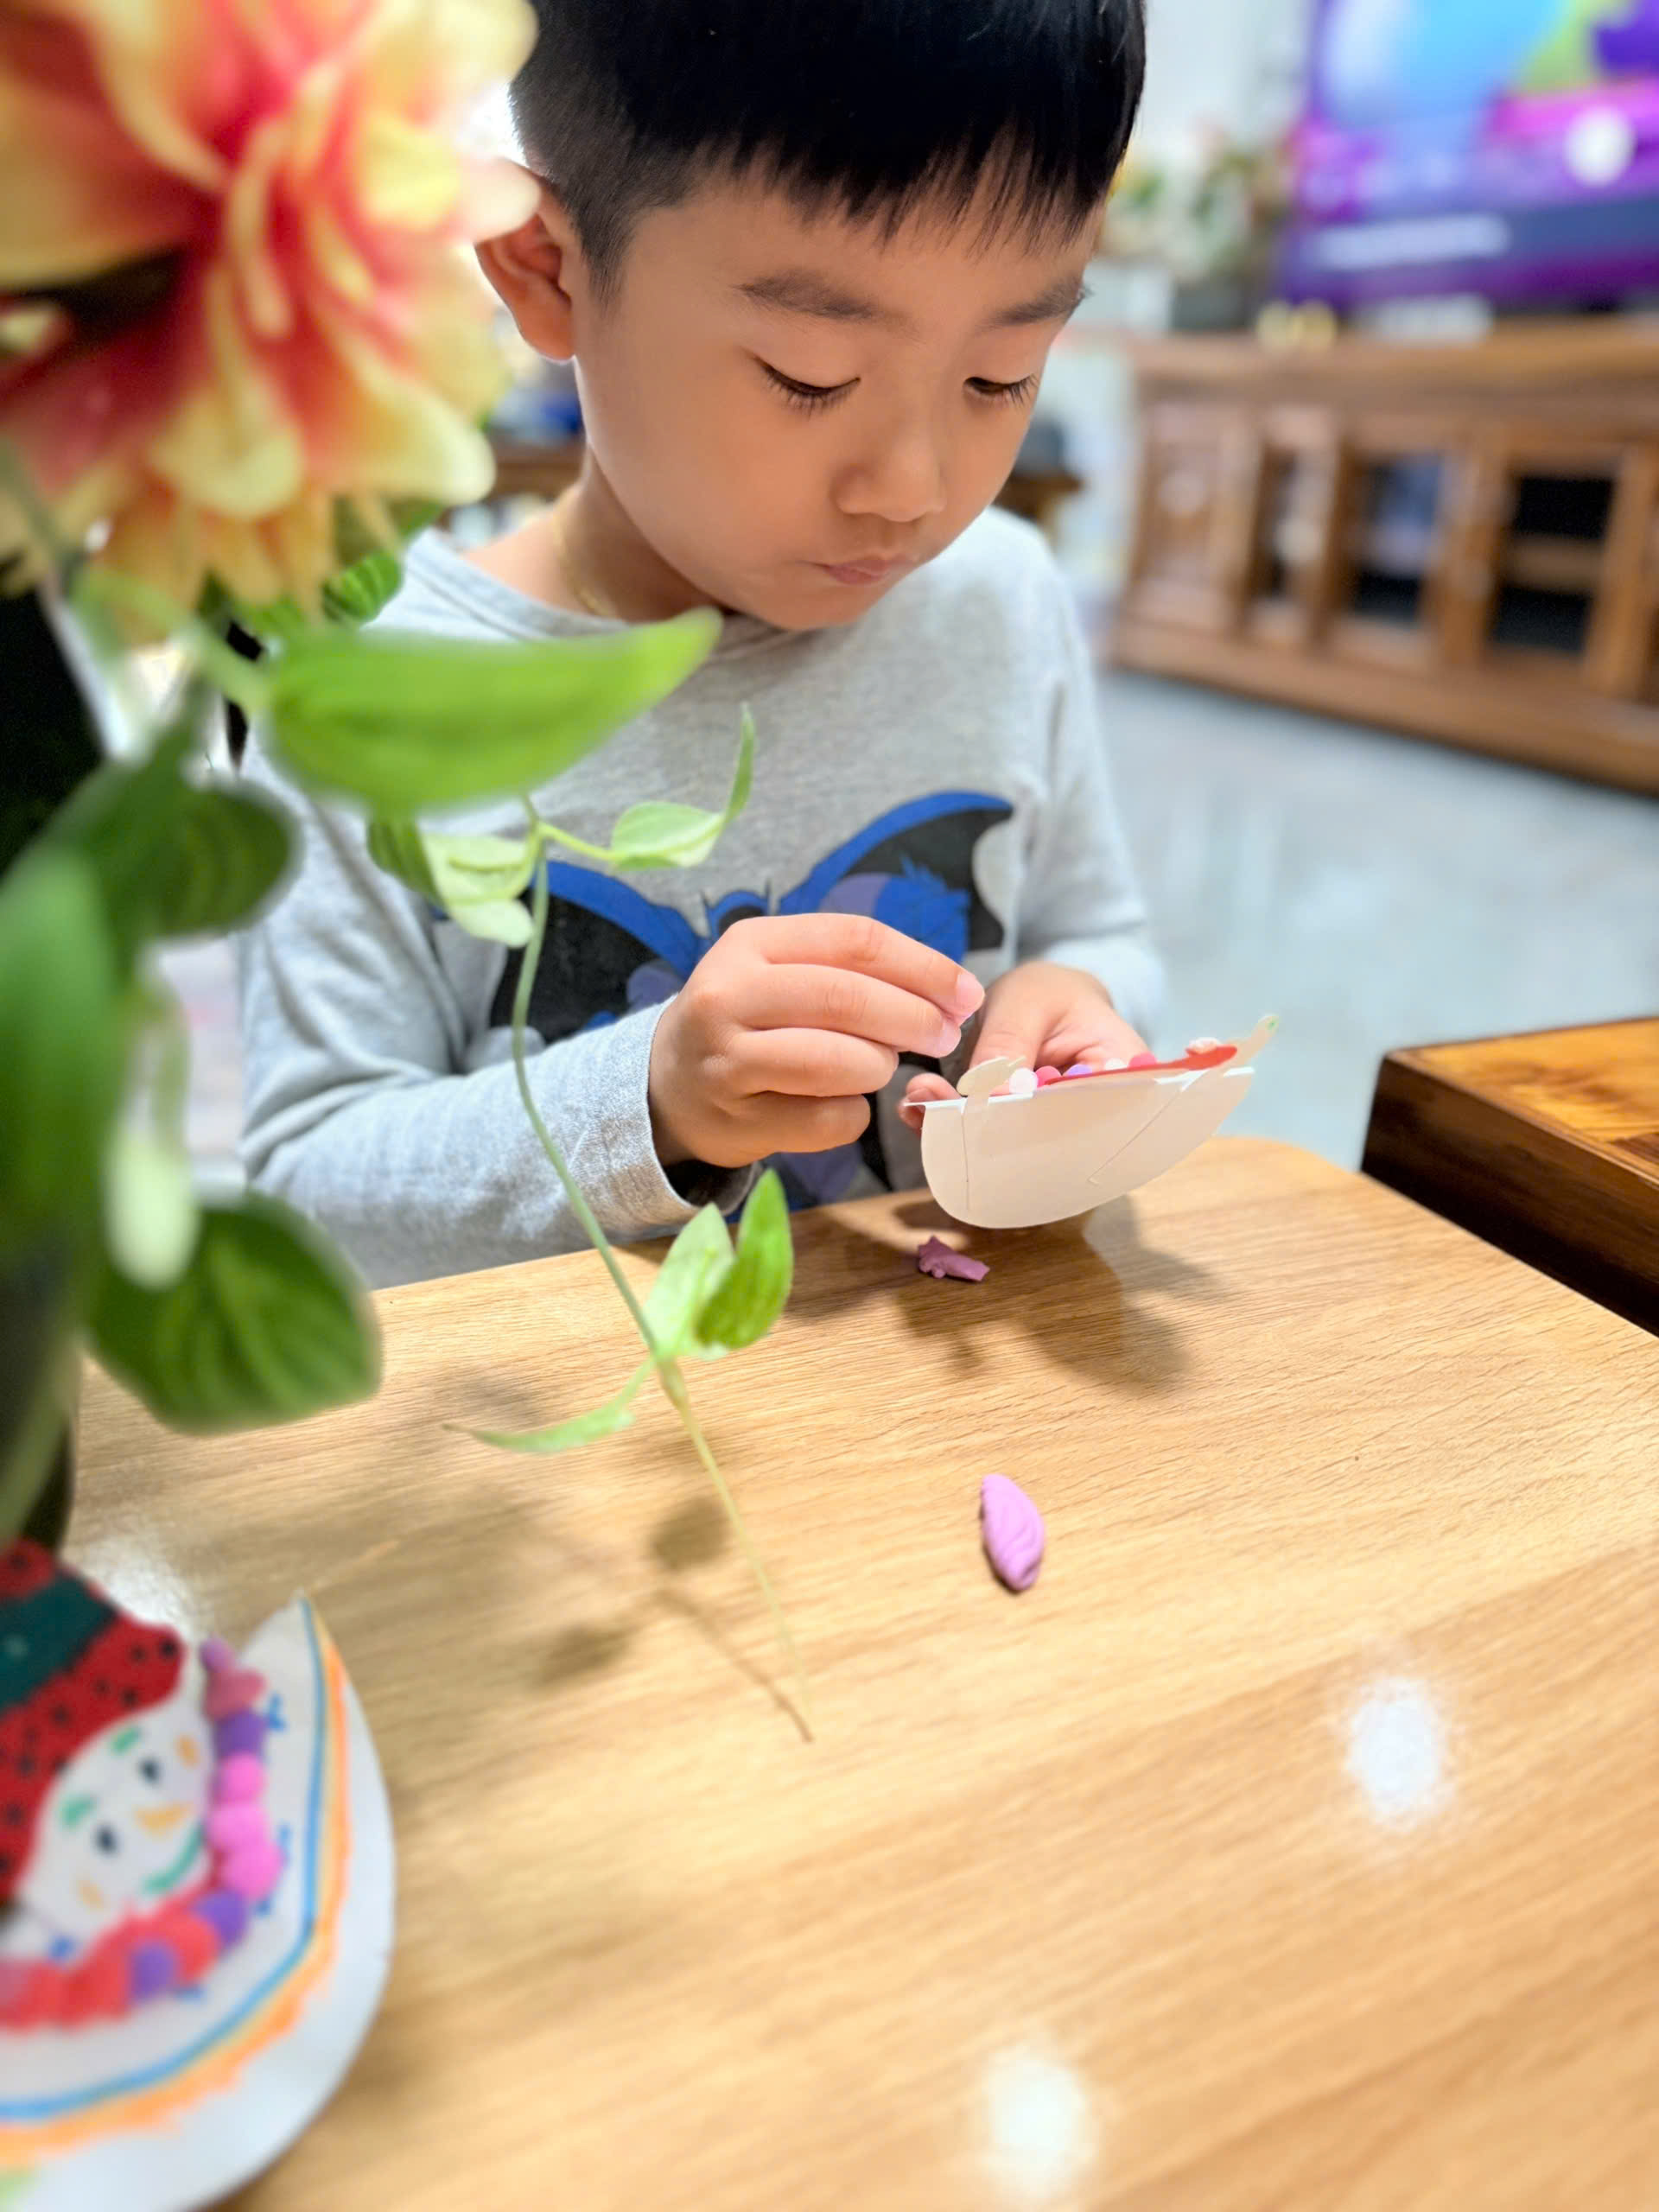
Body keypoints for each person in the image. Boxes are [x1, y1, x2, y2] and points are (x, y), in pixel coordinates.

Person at [238, 0, 1162, 1288]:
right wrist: (648, 1104)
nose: (910, 486)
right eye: (810, 375)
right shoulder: (368, 694)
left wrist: (1077, 1012)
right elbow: (308, 1189)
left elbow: (1102, 934)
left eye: (1002, 374)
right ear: (544, 270)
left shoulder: (996, 597)